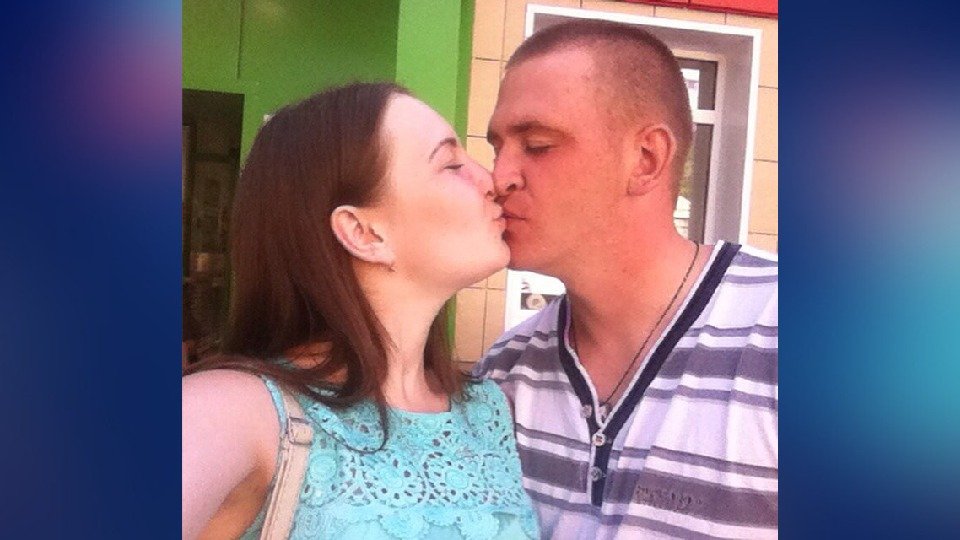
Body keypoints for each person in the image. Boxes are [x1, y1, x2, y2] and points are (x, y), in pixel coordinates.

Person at [182, 82, 540, 539]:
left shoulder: (488, 410)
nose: (491, 181)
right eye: (451, 164)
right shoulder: (239, 409)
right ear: (363, 233)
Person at [474, 19, 778, 539]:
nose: (500, 176)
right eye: (497, 148)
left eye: (538, 145)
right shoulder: (506, 372)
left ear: (646, 159)